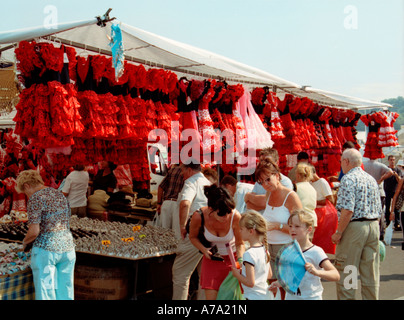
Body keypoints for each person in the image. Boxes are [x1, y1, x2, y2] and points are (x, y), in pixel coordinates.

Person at [16, 170, 76, 300]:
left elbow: (34, 232)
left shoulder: (36, 198)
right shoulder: (59, 194)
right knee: (66, 290)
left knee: (46, 292)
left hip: (47, 251)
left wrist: (25, 243)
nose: (27, 196)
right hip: (68, 248)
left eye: (25, 192)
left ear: (26, 185)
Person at [332, 148, 382, 300]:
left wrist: (339, 232)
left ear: (346, 161)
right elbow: (379, 208)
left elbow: (347, 210)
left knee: (348, 270)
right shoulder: (371, 179)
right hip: (373, 225)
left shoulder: (348, 179)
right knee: (370, 272)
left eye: (341, 162)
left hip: (354, 228)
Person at [189, 185, 244, 300]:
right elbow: (193, 237)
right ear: (210, 209)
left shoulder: (235, 216)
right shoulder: (198, 216)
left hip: (232, 260)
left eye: (228, 212)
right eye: (221, 214)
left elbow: (240, 243)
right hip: (212, 260)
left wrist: (240, 262)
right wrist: (204, 249)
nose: (226, 217)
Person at [269, 210, 340, 300]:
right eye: (290, 226)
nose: (292, 229)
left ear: (309, 229)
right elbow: (292, 277)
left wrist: (317, 272)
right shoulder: (289, 251)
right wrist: (279, 283)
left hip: (311, 297)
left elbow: (335, 275)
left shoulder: (316, 251)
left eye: (297, 226)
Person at [256, 158, 302, 279]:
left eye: (267, 180)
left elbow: (300, 229)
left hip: (286, 249)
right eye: (261, 182)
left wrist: (278, 226)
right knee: (273, 287)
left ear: (276, 176)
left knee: (285, 290)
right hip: (268, 247)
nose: (265, 184)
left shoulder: (291, 196)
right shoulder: (268, 194)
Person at [172, 161, 212, 300]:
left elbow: (185, 203)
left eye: (182, 171)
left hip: (193, 233)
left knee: (180, 274)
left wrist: (183, 226)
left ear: (189, 170)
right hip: (208, 234)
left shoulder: (191, 182)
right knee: (204, 276)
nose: (182, 174)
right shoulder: (207, 182)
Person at [231, 210, 272, 300]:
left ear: (251, 231)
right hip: (266, 295)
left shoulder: (249, 254)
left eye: (241, 229)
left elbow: (250, 283)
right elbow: (269, 275)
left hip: (253, 297)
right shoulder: (265, 250)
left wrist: (237, 274)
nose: (239, 231)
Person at [244, 148, 293, 213]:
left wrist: (249, 196)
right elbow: (249, 205)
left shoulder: (286, 182)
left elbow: (271, 202)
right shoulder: (259, 182)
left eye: (267, 161)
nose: (264, 164)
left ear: (277, 162)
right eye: (262, 161)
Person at [363, 157, 393, 240]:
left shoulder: (364, 165)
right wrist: (381, 179)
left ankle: (370, 233)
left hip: (368, 192)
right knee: (380, 213)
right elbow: (390, 172)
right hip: (379, 192)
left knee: (368, 213)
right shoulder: (380, 165)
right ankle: (380, 233)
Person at [156, 164, 184, 239]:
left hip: (167, 203)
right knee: (176, 233)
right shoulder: (188, 173)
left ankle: (163, 249)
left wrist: (159, 203)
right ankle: (174, 250)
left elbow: (160, 187)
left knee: (164, 232)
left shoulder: (172, 170)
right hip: (178, 204)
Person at [295, 162, 317, 235]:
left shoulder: (296, 187)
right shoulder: (313, 188)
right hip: (312, 220)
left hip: (301, 220)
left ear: (298, 175)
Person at [383, 155, 402, 231]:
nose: (392, 161)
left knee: (396, 208)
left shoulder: (397, 170)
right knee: (387, 207)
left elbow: (400, 180)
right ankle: (387, 222)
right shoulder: (386, 169)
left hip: (395, 190)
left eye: (393, 160)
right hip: (387, 190)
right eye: (391, 160)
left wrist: (396, 175)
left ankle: (397, 223)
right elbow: (382, 177)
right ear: (388, 160)